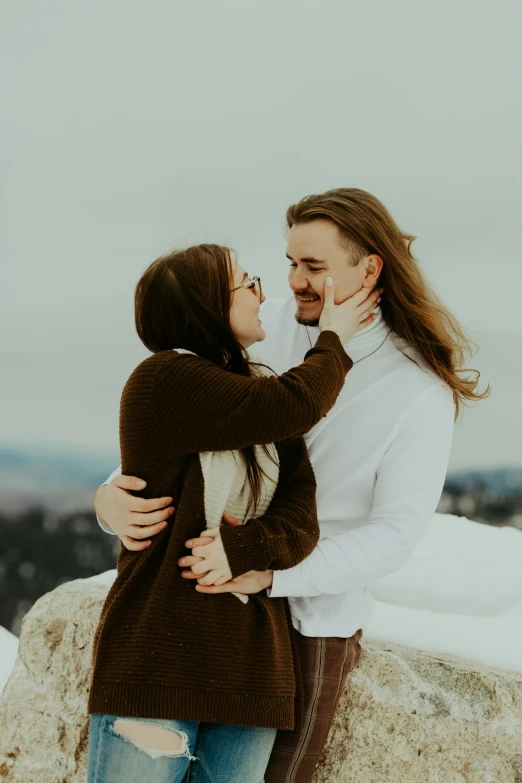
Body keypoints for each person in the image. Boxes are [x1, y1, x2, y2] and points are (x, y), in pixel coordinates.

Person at [96, 188, 488, 782]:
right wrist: (110, 498)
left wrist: (272, 572)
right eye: (289, 264)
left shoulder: (416, 388)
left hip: (302, 631)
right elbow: (180, 430)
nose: (293, 282)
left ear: (369, 269)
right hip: (192, 615)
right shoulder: (266, 330)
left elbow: (395, 533)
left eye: (313, 267)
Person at [87, 241, 381, 783]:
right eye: (249, 284)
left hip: (251, 679)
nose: (262, 295)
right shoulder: (163, 380)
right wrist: (335, 338)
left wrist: (242, 548)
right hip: (159, 667)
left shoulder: (257, 402)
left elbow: (301, 523)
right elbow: (297, 402)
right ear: (204, 305)